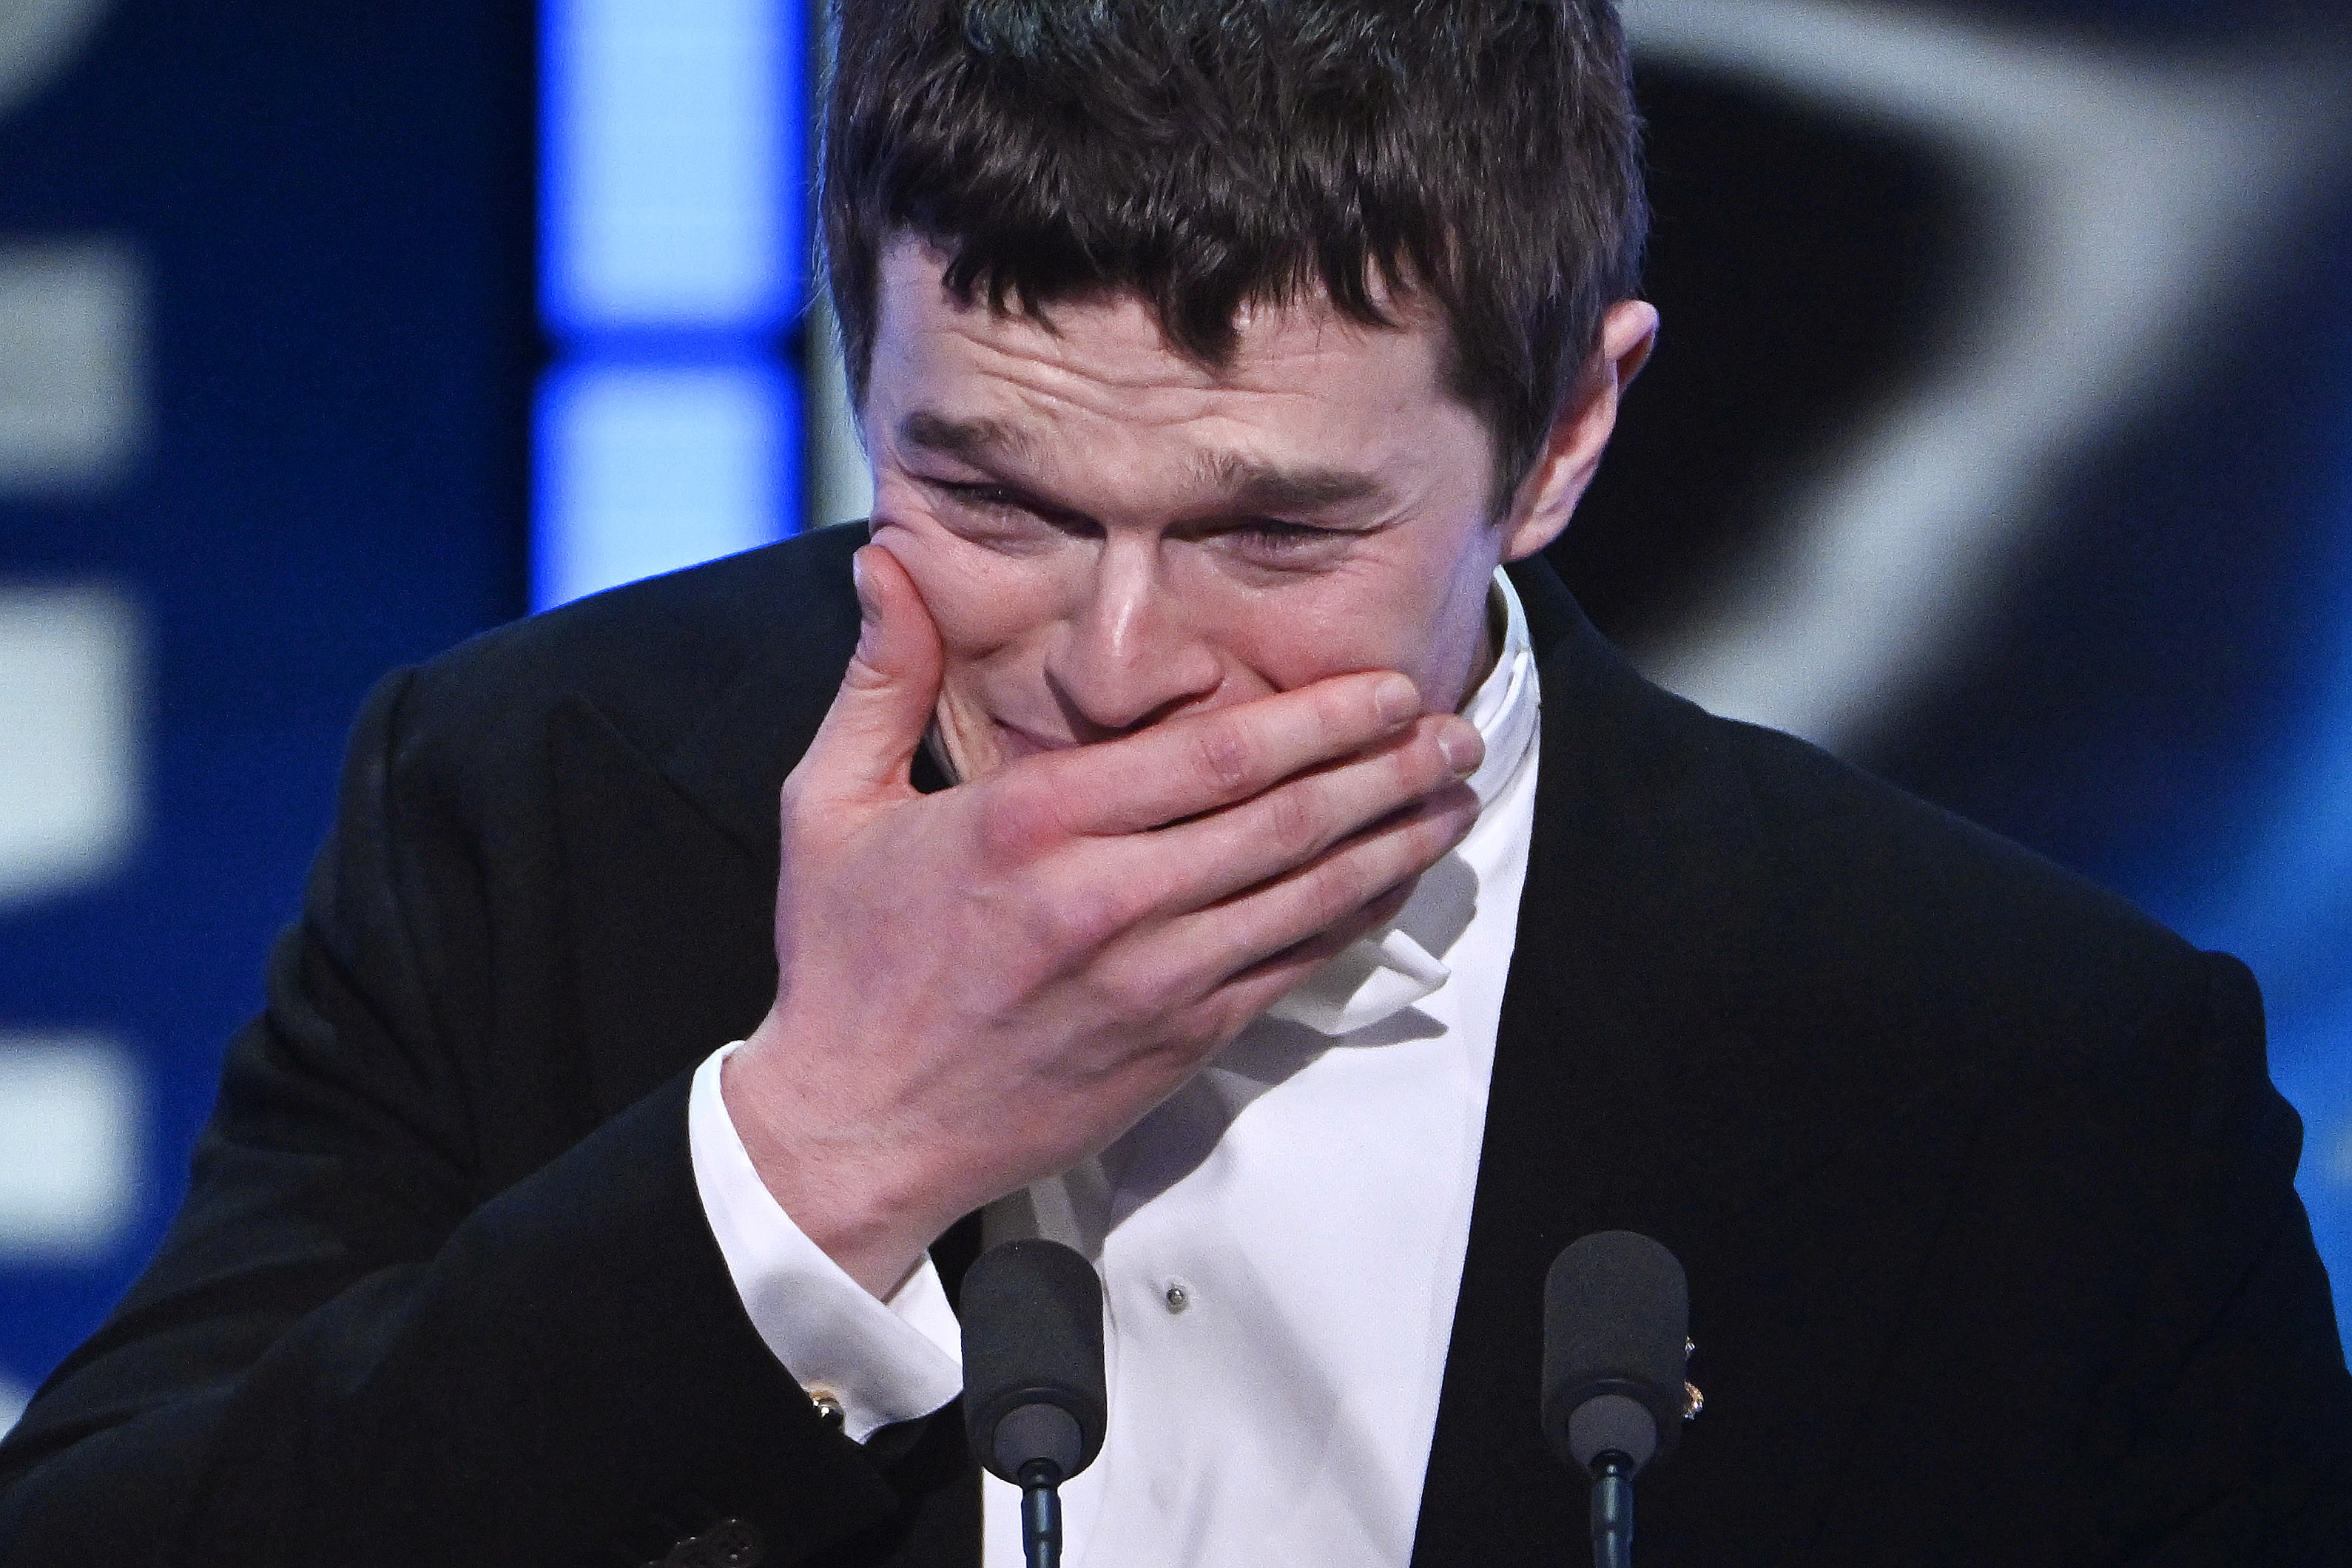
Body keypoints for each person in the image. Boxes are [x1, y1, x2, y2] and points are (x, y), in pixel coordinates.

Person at [3, 0, 2348, 1563]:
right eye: (994, 497)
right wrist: (819, 1157)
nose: (1115, 667)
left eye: (1270, 529)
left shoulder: (2028, 1073)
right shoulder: (538, 806)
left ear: (1565, 438)